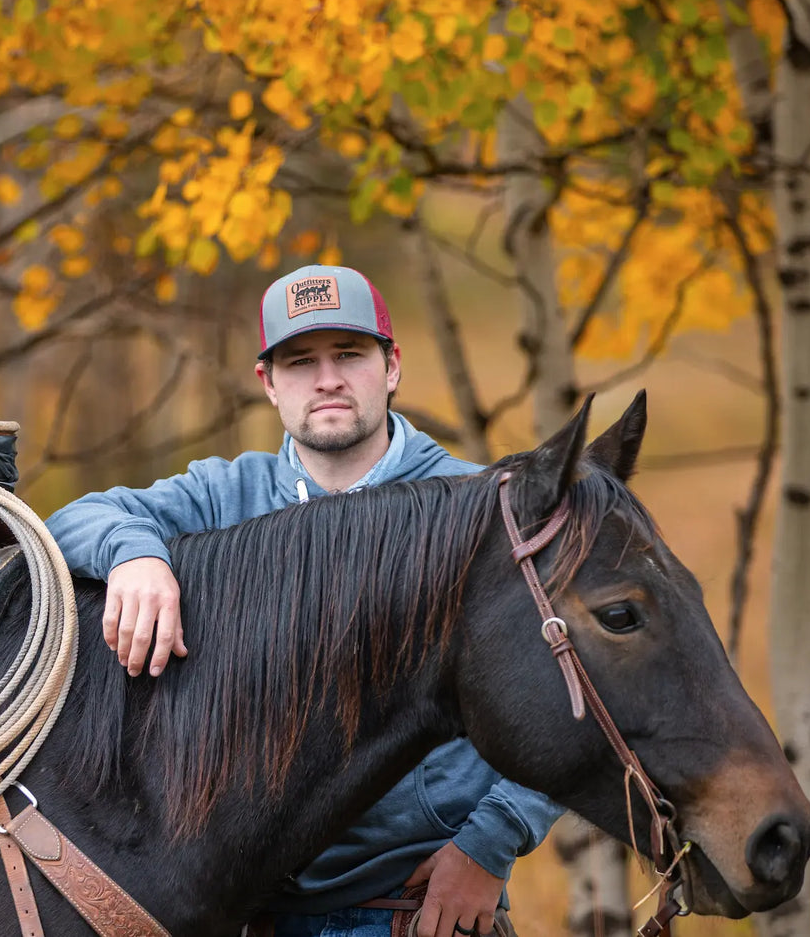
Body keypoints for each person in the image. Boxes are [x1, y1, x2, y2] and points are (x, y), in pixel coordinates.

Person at [45, 264, 562, 937]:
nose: (326, 379)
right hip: (258, 912)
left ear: (391, 366)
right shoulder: (225, 496)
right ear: (268, 383)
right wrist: (133, 554)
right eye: (299, 361)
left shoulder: (478, 510)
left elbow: (572, 691)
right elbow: (78, 516)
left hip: (422, 905)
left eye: (349, 355)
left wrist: (489, 846)